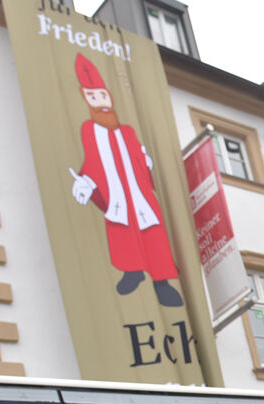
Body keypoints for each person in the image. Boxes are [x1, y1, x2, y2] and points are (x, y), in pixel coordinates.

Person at [68, 53, 183, 306]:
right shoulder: (89, 130)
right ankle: (132, 273)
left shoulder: (128, 131)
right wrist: (86, 181)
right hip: (116, 195)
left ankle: (162, 283)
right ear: (86, 98)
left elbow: (140, 158)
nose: (101, 102)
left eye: (104, 96)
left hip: (139, 193)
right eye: (94, 97)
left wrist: (146, 162)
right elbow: (91, 161)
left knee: (152, 233)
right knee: (122, 233)